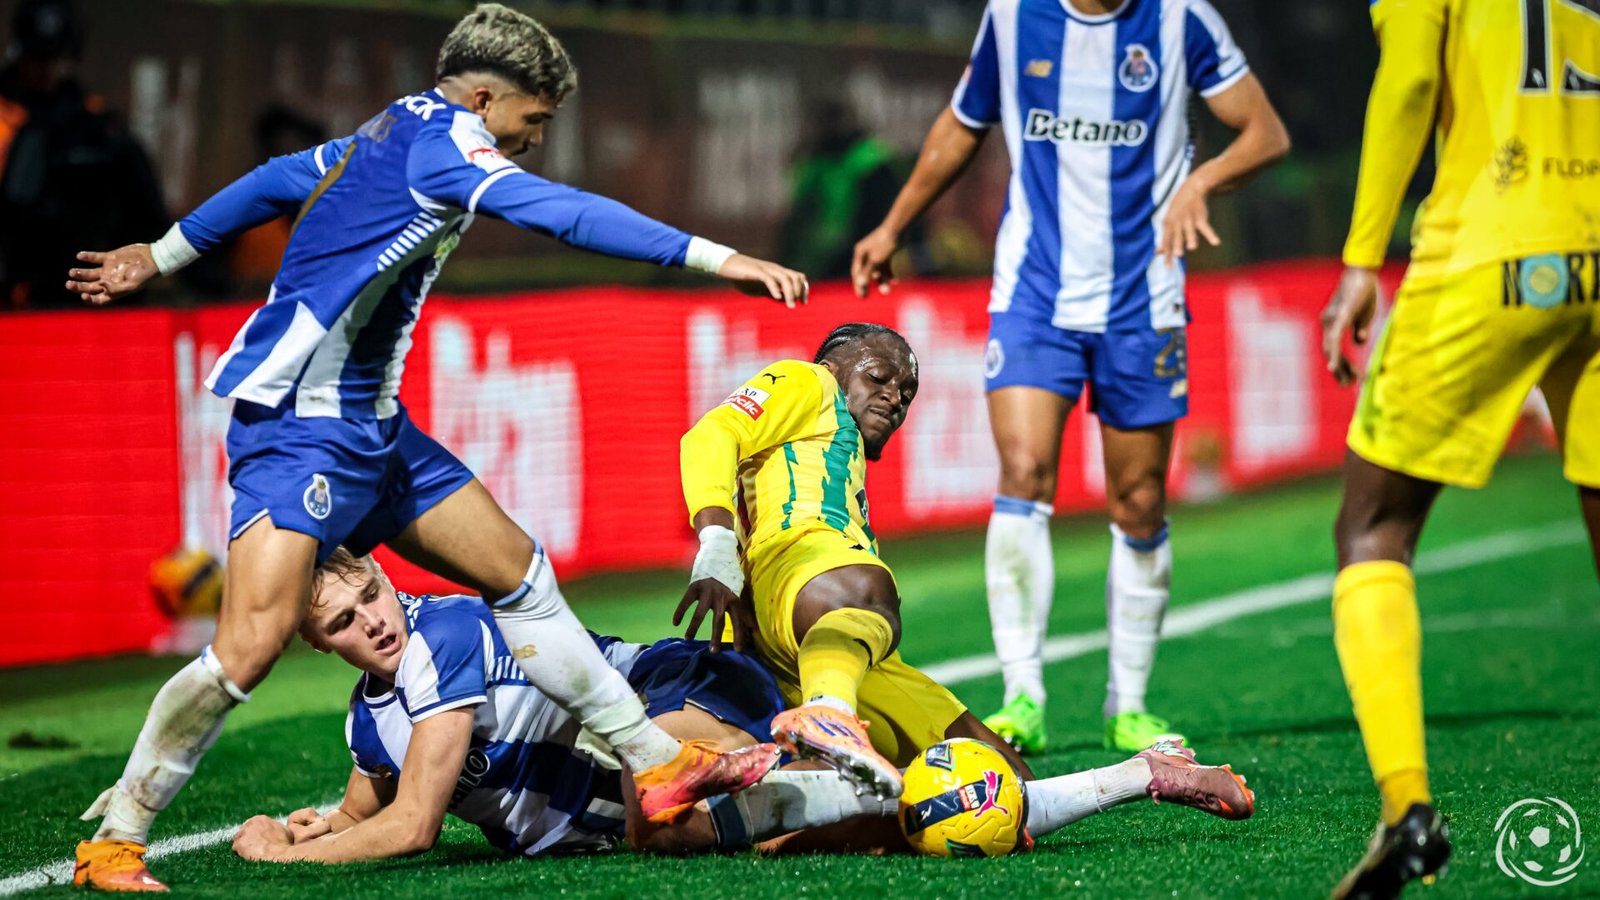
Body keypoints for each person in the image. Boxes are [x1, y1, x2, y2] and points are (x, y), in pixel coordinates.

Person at [66, 4, 808, 891]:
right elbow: (561, 215)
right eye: (532, 121)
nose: (533, 140)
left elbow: (273, 180)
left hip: (374, 430)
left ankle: (654, 758)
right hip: (299, 431)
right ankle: (114, 840)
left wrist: (160, 251)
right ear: (488, 97)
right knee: (248, 647)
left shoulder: (390, 127)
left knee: (519, 573)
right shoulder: (448, 146)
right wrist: (715, 258)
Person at [851, 0, 1290, 756]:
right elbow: (962, 123)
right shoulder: (1014, 18)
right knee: (1023, 471)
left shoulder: (1182, 20)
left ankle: (1130, 702)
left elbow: (1265, 132)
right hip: (1033, 295)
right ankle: (1022, 693)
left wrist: (1201, 183)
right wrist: (894, 225)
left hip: (1143, 298)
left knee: (1141, 498)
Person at [229, 549, 1254, 863]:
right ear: (318, 644)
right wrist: (318, 819)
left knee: (661, 798)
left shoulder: (441, 634)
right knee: (909, 827)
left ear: (383, 581)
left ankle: (764, 753)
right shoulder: (370, 717)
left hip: (664, 695)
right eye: (345, 622)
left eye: (370, 596)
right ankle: (1141, 774)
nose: (372, 621)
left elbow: (411, 825)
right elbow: (372, 801)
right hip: (625, 797)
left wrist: (282, 858)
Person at [1318, 0, 1599, 896]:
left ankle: (1408, 813)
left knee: (1372, 529)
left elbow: (1407, 81)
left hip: (1492, 249)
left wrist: (1363, 258)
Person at [676, 323, 1020, 798]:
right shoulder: (807, 381)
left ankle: (1131, 776)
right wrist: (716, 547)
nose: (895, 397)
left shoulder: (838, 454)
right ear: (833, 369)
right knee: (865, 587)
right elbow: (711, 433)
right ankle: (830, 716)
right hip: (803, 576)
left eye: (907, 391)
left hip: (826, 645)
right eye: (878, 377)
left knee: (1007, 783)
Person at [0, 0, 167, 309]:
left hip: (85, 288)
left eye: (56, 60)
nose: (47, 71)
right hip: (18, 292)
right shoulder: (9, 122)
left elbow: (147, 212)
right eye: (38, 60)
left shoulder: (97, 126)